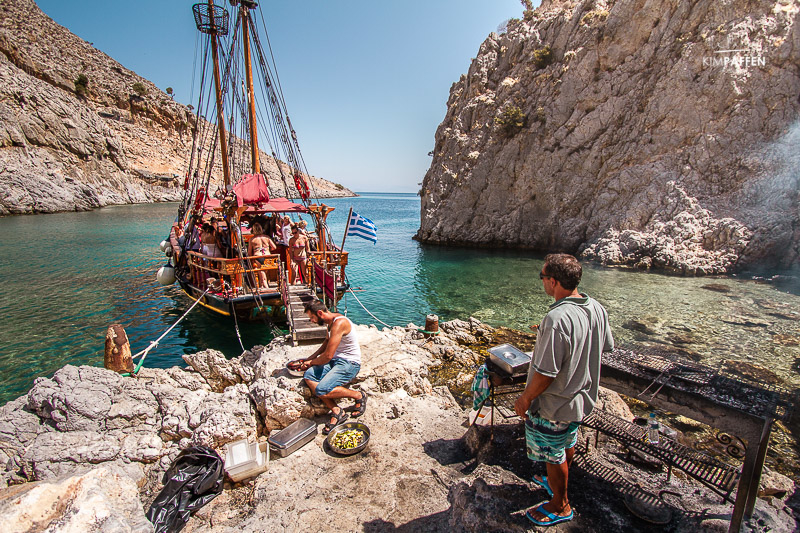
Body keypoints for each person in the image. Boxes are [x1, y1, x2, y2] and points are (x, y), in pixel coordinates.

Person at [514, 253, 614, 527]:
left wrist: (525, 398)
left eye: (542, 277)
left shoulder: (557, 319)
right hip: (581, 397)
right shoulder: (596, 307)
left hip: (555, 403)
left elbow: (546, 373)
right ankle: (554, 481)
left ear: (554, 281)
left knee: (552, 452)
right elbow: (604, 346)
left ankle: (560, 505)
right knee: (566, 442)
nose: (542, 282)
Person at [293, 300, 366, 434]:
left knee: (321, 389)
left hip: (349, 363)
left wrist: (312, 362)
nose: (312, 321)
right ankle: (337, 411)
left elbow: (327, 356)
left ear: (320, 313)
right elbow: (326, 343)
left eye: (312, 317)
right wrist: (309, 359)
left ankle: (358, 395)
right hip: (336, 361)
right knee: (309, 375)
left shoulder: (339, 323)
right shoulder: (330, 322)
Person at [247, 223, 276, 287]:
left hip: (258, 256)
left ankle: (266, 287)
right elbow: (274, 247)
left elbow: (249, 252)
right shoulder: (266, 237)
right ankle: (262, 286)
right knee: (264, 272)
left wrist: (251, 258)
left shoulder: (252, 239)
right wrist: (268, 249)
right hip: (268, 256)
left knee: (261, 272)